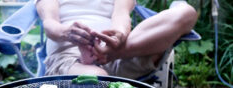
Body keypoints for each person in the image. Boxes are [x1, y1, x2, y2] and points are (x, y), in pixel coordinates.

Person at [35, 0, 198, 80]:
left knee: (186, 13)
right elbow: (50, 24)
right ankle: (94, 57)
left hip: (120, 51)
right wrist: (67, 32)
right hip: (70, 57)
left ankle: (106, 54)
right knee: (97, 80)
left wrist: (118, 36)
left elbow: (121, 16)